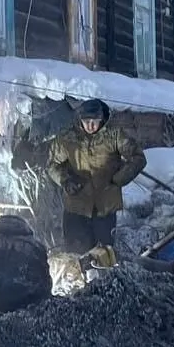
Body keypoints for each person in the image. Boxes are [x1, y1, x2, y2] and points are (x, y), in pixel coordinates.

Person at [46, 98, 147, 255]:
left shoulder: (114, 136)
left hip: (104, 208)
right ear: (80, 119)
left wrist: (119, 179)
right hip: (76, 206)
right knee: (75, 256)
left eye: (95, 121)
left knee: (103, 256)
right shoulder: (67, 138)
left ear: (102, 119)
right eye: (86, 121)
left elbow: (138, 158)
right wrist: (65, 180)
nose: (91, 125)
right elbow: (52, 163)